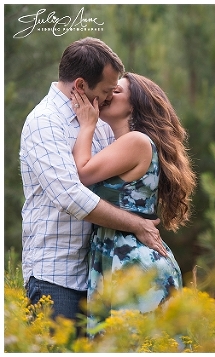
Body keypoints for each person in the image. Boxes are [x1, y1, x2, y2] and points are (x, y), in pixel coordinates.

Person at [19, 37, 166, 326]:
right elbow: (71, 196)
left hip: (97, 274)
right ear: (81, 86)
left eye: (115, 91)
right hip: (56, 277)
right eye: (106, 91)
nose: (110, 97)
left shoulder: (98, 124)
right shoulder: (45, 122)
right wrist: (137, 223)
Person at [70, 72, 196, 331]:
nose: (108, 95)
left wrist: (86, 125)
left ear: (135, 105)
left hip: (134, 264)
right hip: (120, 258)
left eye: (117, 92)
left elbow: (81, 174)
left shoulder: (136, 141)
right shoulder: (125, 144)